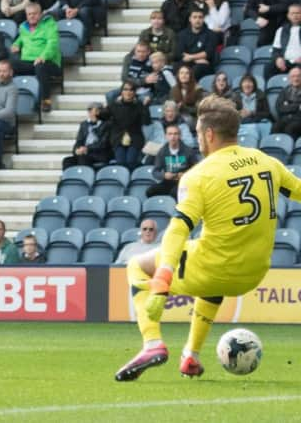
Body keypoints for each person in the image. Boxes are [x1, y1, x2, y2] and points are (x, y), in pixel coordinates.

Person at [114, 95, 301, 382]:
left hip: (213, 269)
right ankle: (191, 355)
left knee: (137, 265)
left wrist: (163, 277)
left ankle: (151, 343)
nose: (197, 138)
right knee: (207, 255)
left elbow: (179, 228)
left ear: (209, 134)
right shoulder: (267, 162)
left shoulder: (198, 176)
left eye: (199, 133)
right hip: (253, 273)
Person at [10, 2, 62, 112]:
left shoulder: (49, 24)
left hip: (48, 62)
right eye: (29, 14)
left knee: (40, 66)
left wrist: (43, 56)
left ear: (40, 14)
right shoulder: (23, 27)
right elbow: (22, 38)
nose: (32, 16)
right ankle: (12, 99)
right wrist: (16, 44)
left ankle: (45, 100)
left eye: (34, 14)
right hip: (29, 62)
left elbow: (52, 42)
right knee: (10, 65)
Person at [103, 80, 151, 171]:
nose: (128, 92)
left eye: (131, 90)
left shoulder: (139, 105)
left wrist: (145, 107)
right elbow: (103, 117)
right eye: (125, 89)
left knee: (130, 162)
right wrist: (103, 109)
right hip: (118, 138)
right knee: (120, 163)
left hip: (135, 138)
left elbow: (147, 122)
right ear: (121, 92)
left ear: (134, 92)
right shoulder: (114, 105)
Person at [146, 124, 198, 199]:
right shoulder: (162, 151)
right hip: (167, 182)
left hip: (183, 183)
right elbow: (155, 172)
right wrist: (164, 175)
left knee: (174, 193)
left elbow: (197, 169)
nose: (173, 137)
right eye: (170, 134)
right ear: (166, 136)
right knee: (150, 192)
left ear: (180, 136)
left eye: (175, 134)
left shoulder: (188, 151)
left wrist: (185, 174)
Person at [61, 102, 111, 170]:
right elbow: (79, 140)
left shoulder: (106, 125)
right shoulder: (84, 124)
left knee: (83, 158)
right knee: (67, 161)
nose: (91, 113)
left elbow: (103, 143)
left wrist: (87, 148)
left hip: (98, 154)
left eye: (94, 111)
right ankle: (69, 180)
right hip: (84, 153)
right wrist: (76, 150)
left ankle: (84, 179)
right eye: (89, 110)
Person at [175, 7, 217, 80]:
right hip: (190, 62)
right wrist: (195, 59)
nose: (197, 20)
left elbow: (208, 53)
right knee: (177, 66)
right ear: (190, 19)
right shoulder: (182, 34)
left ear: (203, 19)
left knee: (197, 68)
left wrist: (190, 57)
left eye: (200, 17)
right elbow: (180, 53)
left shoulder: (211, 34)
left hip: (205, 66)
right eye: (194, 17)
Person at [106, 41, 152, 106]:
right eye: (138, 51)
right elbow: (124, 77)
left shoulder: (152, 61)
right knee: (110, 95)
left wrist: (135, 81)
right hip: (128, 87)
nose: (141, 54)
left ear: (148, 52)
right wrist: (143, 81)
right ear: (135, 51)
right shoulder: (129, 59)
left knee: (144, 100)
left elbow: (151, 80)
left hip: (144, 90)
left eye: (143, 52)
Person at [265, 3, 301, 80]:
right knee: (269, 67)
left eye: (298, 13)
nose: (295, 15)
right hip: (286, 62)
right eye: (292, 13)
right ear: (288, 15)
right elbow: (275, 50)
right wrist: (278, 59)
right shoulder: (281, 30)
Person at [169, 65, 204, 130]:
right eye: (181, 73)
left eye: (187, 73)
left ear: (190, 76)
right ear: (178, 75)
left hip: (192, 119)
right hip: (176, 117)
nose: (184, 75)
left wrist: (184, 107)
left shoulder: (198, 89)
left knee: (185, 119)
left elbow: (199, 110)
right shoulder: (174, 89)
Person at [272, 67, 301, 137]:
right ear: (289, 79)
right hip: (285, 119)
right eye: (293, 76)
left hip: (299, 120)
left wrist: (287, 105)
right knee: (275, 127)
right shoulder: (285, 91)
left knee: (290, 129)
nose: (296, 79)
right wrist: (297, 106)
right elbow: (279, 108)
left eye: (298, 76)